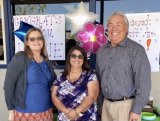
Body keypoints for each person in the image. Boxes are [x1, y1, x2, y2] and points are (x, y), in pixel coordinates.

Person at [96, 11, 151, 121]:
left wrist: (136, 110)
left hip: (127, 107)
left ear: (126, 28)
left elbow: (144, 84)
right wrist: (101, 104)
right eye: (110, 25)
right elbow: (99, 79)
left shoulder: (136, 50)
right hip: (106, 106)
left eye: (118, 24)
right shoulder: (101, 52)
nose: (113, 29)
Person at [4, 27, 56, 121]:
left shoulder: (47, 60)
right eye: (32, 39)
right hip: (25, 113)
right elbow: (8, 86)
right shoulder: (20, 58)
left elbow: (54, 83)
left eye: (39, 38)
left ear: (43, 41)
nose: (36, 41)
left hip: (46, 111)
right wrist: (11, 110)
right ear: (27, 42)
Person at [52, 45, 99, 121]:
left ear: (84, 59)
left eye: (80, 56)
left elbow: (92, 96)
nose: (77, 59)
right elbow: (53, 96)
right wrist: (67, 112)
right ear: (69, 58)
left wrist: (76, 112)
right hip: (65, 117)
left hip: (87, 117)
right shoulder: (60, 77)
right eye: (73, 56)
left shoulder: (90, 75)